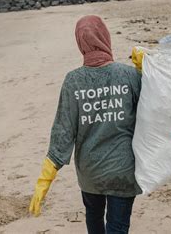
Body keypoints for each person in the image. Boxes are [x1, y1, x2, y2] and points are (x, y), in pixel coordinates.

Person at [29, 15, 142, 234]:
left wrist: (46, 179)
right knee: (118, 227)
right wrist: (147, 70)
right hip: (123, 170)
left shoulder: (73, 81)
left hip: (90, 173)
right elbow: (154, 109)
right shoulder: (129, 75)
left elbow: (63, 131)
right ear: (105, 37)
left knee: (94, 219)